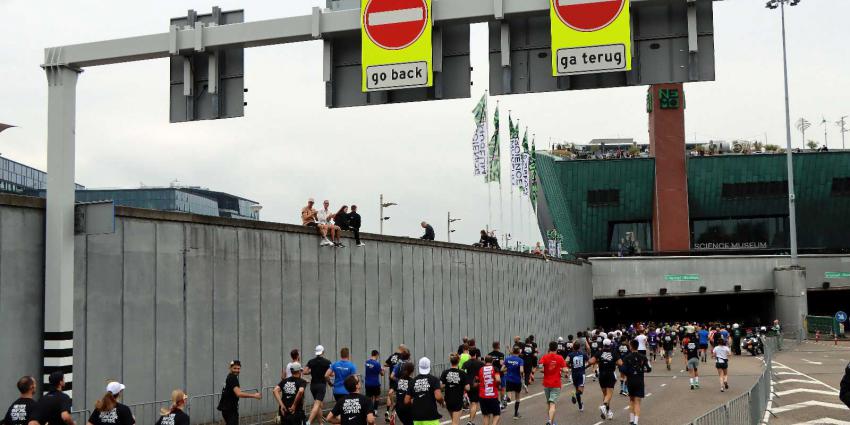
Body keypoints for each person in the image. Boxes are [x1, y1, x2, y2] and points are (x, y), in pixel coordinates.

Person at [217, 360, 262, 425]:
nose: (237, 370)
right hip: (230, 410)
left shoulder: (229, 376)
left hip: (226, 409)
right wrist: (254, 395)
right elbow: (239, 394)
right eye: (235, 368)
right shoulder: (233, 378)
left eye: (238, 368)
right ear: (230, 368)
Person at [622, 340, 651, 425]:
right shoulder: (643, 357)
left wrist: (629, 372)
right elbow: (649, 369)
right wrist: (641, 370)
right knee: (637, 402)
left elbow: (623, 369)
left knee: (631, 400)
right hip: (639, 380)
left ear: (631, 346)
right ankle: (636, 421)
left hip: (630, 381)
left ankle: (631, 420)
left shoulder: (627, 357)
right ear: (638, 346)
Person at [406, 358, 443, 425]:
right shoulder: (434, 379)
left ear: (419, 366)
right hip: (431, 416)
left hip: (417, 417)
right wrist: (442, 402)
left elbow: (406, 401)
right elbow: (438, 397)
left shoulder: (412, 381)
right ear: (429, 366)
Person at [591, 339, 622, 421]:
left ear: (603, 345)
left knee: (605, 394)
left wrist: (598, 360)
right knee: (609, 394)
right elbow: (620, 363)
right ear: (610, 345)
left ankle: (608, 411)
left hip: (601, 375)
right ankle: (604, 406)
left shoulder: (599, 352)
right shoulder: (614, 353)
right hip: (610, 374)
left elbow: (591, 361)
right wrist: (613, 362)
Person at [540, 341, 567, 425]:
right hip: (556, 384)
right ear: (557, 348)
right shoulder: (560, 358)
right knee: (553, 404)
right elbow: (566, 370)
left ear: (549, 347)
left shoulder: (544, 357)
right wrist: (561, 369)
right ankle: (550, 421)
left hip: (546, 383)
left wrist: (546, 369)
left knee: (548, 403)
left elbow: (540, 368)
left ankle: (551, 422)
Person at [305, 346, 332, 425]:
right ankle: (309, 422)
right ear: (323, 352)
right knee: (317, 404)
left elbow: (305, 372)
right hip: (321, 385)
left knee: (319, 404)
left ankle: (321, 423)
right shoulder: (327, 362)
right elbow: (332, 374)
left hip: (313, 386)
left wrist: (312, 371)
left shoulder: (311, 361)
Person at [440, 354, 469, 425]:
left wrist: (449, 383)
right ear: (459, 361)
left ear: (450, 361)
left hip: (448, 399)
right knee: (455, 422)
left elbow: (441, 386)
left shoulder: (445, 372)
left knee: (454, 419)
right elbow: (467, 388)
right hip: (457, 399)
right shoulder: (462, 373)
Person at [385, 345, 407, 423]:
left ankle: (388, 410)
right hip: (399, 379)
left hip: (392, 377)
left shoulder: (392, 356)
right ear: (403, 349)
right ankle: (395, 411)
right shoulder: (403, 357)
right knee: (401, 395)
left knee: (390, 393)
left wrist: (391, 365)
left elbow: (385, 364)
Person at [462, 349, 484, 425]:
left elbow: (462, 374)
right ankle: (470, 421)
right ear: (475, 354)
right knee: (474, 403)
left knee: (472, 402)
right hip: (477, 385)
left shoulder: (465, 363)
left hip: (468, 385)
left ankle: (466, 399)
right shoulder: (480, 363)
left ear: (469, 354)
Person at [476, 356, 501, 425]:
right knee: (496, 414)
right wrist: (497, 385)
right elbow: (498, 379)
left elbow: (477, 380)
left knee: (486, 415)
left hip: (482, 395)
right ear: (492, 361)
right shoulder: (495, 369)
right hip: (492, 395)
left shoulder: (481, 369)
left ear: (484, 361)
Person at [502, 347, 524, 419]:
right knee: (517, 397)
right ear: (518, 352)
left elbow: (502, 369)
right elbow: (521, 371)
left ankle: (508, 398)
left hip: (508, 379)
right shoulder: (520, 360)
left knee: (509, 393)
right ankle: (515, 414)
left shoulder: (507, 359)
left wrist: (508, 368)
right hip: (517, 380)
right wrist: (521, 373)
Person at [567, 342, 587, 412]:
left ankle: (580, 406)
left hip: (574, 374)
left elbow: (565, 362)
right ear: (579, 347)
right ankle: (575, 396)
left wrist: (570, 367)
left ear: (573, 347)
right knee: (580, 391)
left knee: (577, 389)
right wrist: (586, 366)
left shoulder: (570, 355)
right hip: (581, 374)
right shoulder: (583, 354)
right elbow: (588, 361)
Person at [486, 342, 507, 407]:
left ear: (493, 346)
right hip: (500, 373)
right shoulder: (501, 354)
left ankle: (497, 402)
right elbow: (501, 363)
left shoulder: (489, 354)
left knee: (495, 388)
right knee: (503, 388)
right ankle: (502, 402)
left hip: (492, 373)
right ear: (498, 346)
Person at [365, 351, 383, 415]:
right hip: (375, 383)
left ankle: (369, 411)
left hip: (367, 383)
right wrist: (383, 370)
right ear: (377, 355)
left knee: (369, 398)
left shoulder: (366, 362)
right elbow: (382, 374)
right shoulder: (377, 364)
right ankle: (375, 411)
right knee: (377, 397)